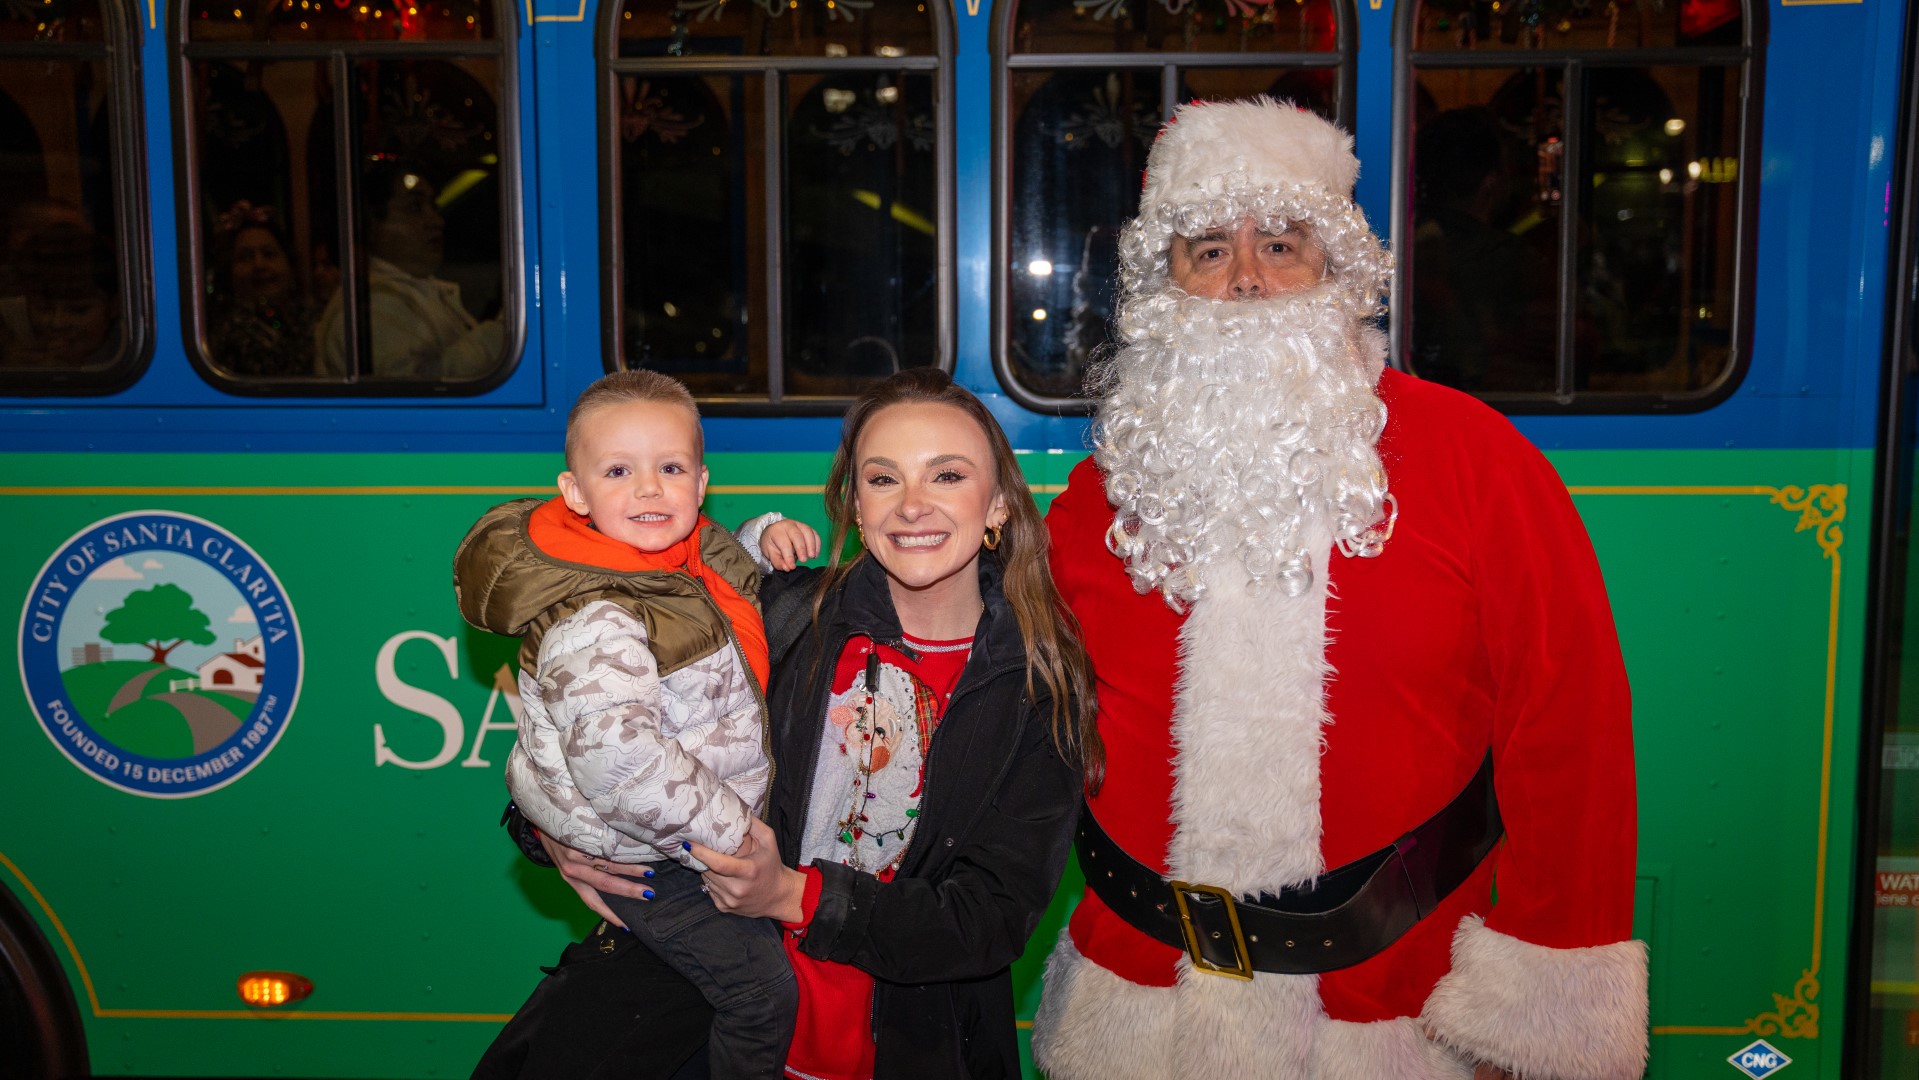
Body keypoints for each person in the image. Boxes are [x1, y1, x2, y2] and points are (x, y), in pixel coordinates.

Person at [1030, 98, 1647, 1080]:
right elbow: (1000, 684)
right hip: (1140, 1016)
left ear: (1335, 269)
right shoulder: (1105, 489)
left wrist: (1530, 1011)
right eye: (1204, 251)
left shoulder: (1473, 462)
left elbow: (1566, 733)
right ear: (1167, 285)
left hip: (1394, 1019)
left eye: (1278, 244)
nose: (1242, 281)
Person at [483, 367, 1102, 1080]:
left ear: (996, 505)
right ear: (853, 503)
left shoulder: (1040, 681)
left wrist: (796, 896)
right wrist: (550, 833)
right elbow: (595, 730)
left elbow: (988, 920)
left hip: (909, 1042)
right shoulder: (774, 615)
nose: (911, 506)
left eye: (947, 476)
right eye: (881, 479)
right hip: (692, 1022)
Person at [456, 369, 821, 1078]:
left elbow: (715, 571)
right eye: (619, 470)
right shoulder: (596, 616)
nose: (650, 488)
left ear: (702, 481)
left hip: (675, 838)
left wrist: (765, 534)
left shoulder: (668, 562)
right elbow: (622, 764)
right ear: (574, 494)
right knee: (761, 995)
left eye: (671, 467)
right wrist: (741, 841)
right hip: (654, 855)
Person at [317, 160, 502, 380]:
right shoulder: (368, 307)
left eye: (433, 207)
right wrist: (502, 333)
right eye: (415, 208)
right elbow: (414, 393)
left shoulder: (417, 292)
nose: (437, 221)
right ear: (371, 224)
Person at [205, 201, 315, 377]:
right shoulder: (219, 335)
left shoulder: (314, 320)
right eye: (246, 257)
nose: (259, 265)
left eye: (269, 254)